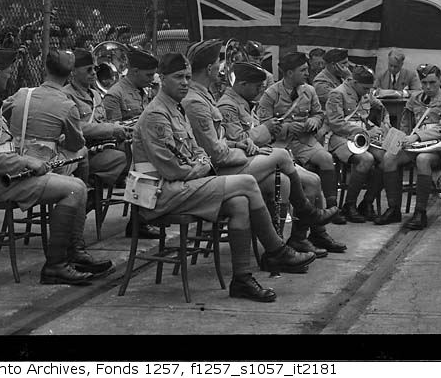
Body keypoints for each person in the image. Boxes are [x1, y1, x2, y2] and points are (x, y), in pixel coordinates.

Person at [133, 52, 316, 299]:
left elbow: (197, 151)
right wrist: (203, 165)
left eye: (187, 77)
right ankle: (276, 249)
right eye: (178, 77)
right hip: (160, 193)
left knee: (239, 203)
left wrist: (200, 162)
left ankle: (241, 279)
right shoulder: (157, 114)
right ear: (162, 79)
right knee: (248, 182)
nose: (185, 82)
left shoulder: (176, 108)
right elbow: (172, 169)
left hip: (182, 185)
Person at [182, 42, 337, 258]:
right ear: (210, 68)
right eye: (219, 64)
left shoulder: (209, 97)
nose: (222, 69)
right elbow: (216, 151)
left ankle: (283, 245)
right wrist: (248, 145)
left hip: (238, 158)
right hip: (219, 170)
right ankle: (305, 216)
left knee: (284, 181)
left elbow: (226, 141)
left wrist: (242, 145)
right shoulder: (200, 102)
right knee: (283, 158)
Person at [0, 49, 94, 285]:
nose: (10, 77)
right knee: (74, 190)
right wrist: (26, 161)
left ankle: (71, 254)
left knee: (76, 185)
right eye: (7, 73)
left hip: (4, 177)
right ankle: (56, 266)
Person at [1, 50, 113, 277]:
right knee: (79, 165)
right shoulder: (66, 104)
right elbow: (75, 142)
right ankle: (72, 250)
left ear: (46, 69)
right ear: (70, 73)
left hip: (12, 159)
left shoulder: (22, 93)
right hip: (37, 167)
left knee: (75, 179)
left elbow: (5, 112)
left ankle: (74, 246)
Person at [255, 51, 342, 236]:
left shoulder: (309, 90)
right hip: (280, 144)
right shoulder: (271, 94)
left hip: (305, 141)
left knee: (326, 158)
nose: (307, 73)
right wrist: (287, 127)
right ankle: (306, 233)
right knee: (310, 181)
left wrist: (315, 121)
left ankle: (332, 209)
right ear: (289, 73)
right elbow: (264, 126)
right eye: (302, 70)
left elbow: (319, 114)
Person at [377, 64, 441, 229]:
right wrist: (400, 139)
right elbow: (406, 123)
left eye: (432, 82)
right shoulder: (415, 99)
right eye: (424, 83)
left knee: (423, 159)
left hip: (439, 149)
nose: (428, 87)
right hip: (415, 145)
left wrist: (417, 136)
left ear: (440, 81)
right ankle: (394, 209)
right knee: (389, 157)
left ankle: (420, 213)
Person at [63, 49, 131, 191]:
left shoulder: (96, 95)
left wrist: (118, 127)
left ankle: (99, 185)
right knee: (121, 158)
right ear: (73, 72)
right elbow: (76, 127)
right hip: (80, 152)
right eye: (88, 70)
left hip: (100, 146)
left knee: (134, 147)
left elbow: (102, 121)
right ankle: (92, 186)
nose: (94, 73)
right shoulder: (65, 95)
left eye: (95, 68)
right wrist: (110, 129)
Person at [326, 65, 386, 223]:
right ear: (354, 82)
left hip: (362, 136)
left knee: (388, 159)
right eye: (365, 88)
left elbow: (375, 109)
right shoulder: (337, 94)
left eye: (370, 89)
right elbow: (336, 124)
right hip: (340, 138)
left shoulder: (365, 93)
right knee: (367, 159)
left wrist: (380, 126)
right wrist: (366, 133)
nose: (368, 92)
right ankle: (349, 205)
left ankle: (367, 203)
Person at [102, 46, 157, 123]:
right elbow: (114, 130)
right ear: (135, 71)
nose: (152, 79)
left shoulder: (147, 89)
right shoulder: (115, 95)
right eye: (149, 75)